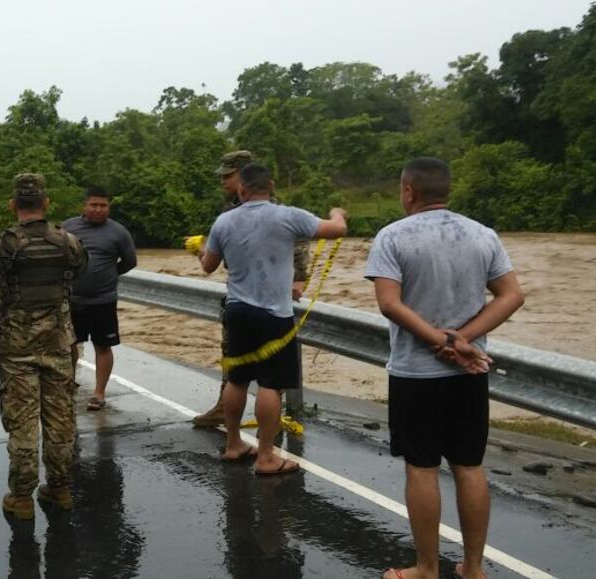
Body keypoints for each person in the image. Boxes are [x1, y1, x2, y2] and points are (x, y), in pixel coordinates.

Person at [366, 157, 524, 579]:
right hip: (469, 372)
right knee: (469, 466)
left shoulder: (392, 236)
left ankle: (426, 568)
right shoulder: (482, 234)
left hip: (416, 374)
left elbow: (389, 304)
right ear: (446, 190)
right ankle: (473, 567)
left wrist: (442, 341)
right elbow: (512, 295)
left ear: (409, 191)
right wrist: (463, 341)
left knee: (422, 468)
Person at [198, 163, 347, 474]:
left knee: (237, 379)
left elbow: (208, 266)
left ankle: (233, 444)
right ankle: (266, 457)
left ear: (241, 189)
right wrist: (337, 213)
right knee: (271, 384)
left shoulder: (224, 221)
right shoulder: (288, 216)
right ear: (272, 186)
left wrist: (200, 248)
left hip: (237, 311)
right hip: (274, 314)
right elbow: (336, 230)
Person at [0, 173, 87, 520]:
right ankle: (60, 488)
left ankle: (21, 497)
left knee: (22, 421)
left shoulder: (4, 246)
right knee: (61, 418)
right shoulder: (68, 242)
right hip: (59, 343)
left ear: (13, 204)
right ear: (46, 203)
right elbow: (80, 271)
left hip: (18, 348)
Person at [192, 150, 312, 427]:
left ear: (243, 176)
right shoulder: (229, 210)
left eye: (228, 175)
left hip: (270, 298)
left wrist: (299, 277)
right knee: (235, 364)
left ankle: (269, 423)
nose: (222, 181)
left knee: (271, 369)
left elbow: (299, 237)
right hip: (241, 294)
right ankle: (225, 409)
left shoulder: (272, 207)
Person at [61, 186, 137, 411]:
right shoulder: (67, 227)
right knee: (69, 344)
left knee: (103, 346)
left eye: (103, 205)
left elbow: (130, 261)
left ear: (109, 207)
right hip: (73, 299)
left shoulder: (119, 232)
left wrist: (110, 274)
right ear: (84, 206)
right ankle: (67, 385)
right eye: (93, 205)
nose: (98, 209)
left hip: (103, 301)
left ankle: (99, 393)